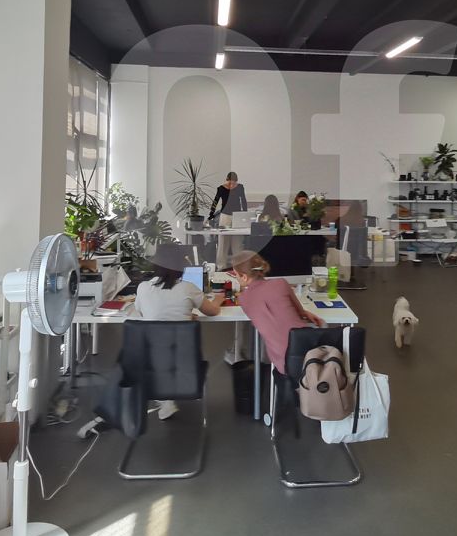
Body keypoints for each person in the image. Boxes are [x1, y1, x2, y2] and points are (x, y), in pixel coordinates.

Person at [134, 244, 224, 420]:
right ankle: (167, 398)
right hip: (186, 360)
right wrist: (218, 299)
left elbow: (143, 313)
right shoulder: (188, 288)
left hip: (151, 359)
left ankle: (165, 398)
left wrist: (181, 316)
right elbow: (213, 311)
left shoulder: (143, 288)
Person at [230, 250, 324, 373]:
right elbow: (299, 312)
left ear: (244, 276)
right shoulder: (281, 283)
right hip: (310, 350)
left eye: (235, 275)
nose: (236, 278)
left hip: (284, 363)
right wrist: (304, 312)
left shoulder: (243, 299)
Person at [209, 171, 247, 267]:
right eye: (230, 183)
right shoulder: (221, 188)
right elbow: (215, 202)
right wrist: (211, 214)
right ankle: (221, 266)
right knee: (223, 242)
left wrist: (245, 214)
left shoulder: (240, 187)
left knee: (237, 243)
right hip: (225, 215)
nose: (232, 185)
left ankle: (239, 266)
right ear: (227, 180)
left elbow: (243, 200)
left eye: (234, 183)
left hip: (237, 215)